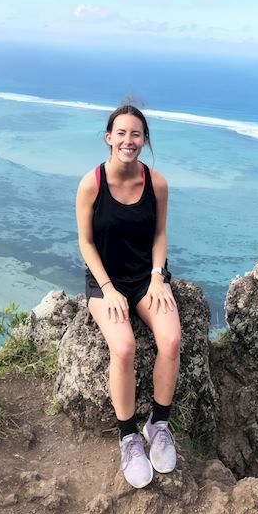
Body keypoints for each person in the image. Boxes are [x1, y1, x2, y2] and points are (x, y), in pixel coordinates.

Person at [75, 98, 181, 488]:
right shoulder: (92, 183)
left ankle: (159, 424)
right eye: (121, 132)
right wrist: (107, 289)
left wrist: (157, 277)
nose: (128, 139)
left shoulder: (156, 183)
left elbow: (159, 233)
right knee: (123, 348)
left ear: (144, 139)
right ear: (108, 138)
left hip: (146, 276)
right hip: (105, 281)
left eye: (136, 133)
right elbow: (86, 243)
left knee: (170, 339)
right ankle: (128, 437)